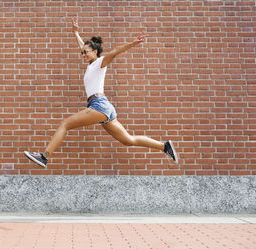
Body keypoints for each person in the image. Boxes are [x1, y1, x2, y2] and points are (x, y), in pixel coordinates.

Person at [24, 18, 178, 168]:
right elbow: (82, 47)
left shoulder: (100, 62)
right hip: (104, 108)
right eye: (82, 52)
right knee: (127, 140)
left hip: (99, 105)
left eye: (86, 52)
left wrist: (132, 44)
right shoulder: (92, 64)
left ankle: (44, 157)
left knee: (65, 124)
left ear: (95, 51)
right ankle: (164, 146)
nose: (83, 54)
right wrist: (76, 33)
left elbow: (115, 52)